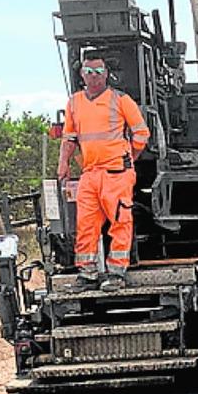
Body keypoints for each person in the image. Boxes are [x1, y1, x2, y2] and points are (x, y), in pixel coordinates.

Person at [57, 54, 151, 292]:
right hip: (90, 174)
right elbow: (69, 138)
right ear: (82, 74)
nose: (94, 77)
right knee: (86, 225)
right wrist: (63, 163)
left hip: (116, 173)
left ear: (107, 74)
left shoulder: (121, 100)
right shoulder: (74, 103)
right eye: (89, 71)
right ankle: (87, 273)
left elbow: (141, 133)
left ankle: (117, 273)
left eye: (99, 72)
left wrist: (128, 158)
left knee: (120, 221)